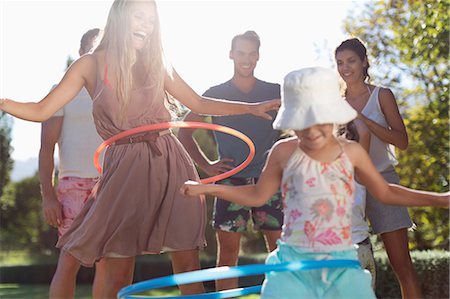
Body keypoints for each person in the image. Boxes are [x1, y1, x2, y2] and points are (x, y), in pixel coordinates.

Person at [0, 1, 280, 298]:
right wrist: (3, 102)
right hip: (123, 167)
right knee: (119, 269)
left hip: (169, 161)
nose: (145, 25)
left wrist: (251, 107)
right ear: (120, 18)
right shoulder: (90, 64)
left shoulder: (157, 61)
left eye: (150, 19)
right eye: (138, 17)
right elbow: (42, 109)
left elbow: (197, 103)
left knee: (187, 260)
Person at [180, 67, 449, 299]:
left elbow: (385, 191)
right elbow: (258, 195)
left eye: (319, 122)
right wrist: (209, 187)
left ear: (334, 116)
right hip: (291, 262)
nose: (311, 131)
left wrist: (440, 199)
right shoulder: (283, 152)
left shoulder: (351, 153)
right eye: (301, 123)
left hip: (341, 262)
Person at [178, 30, 283, 292]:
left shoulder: (275, 92)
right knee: (227, 255)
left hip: (269, 180)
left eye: (251, 53)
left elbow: (301, 126)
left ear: (258, 56)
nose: (246, 59)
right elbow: (184, 131)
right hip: (229, 183)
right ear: (231, 54)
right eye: (240, 53)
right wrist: (208, 167)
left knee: (280, 252)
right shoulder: (215, 93)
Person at [335, 37, 420, 298]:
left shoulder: (381, 95)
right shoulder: (334, 103)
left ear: (363, 62)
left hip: (383, 180)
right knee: (345, 265)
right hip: (349, 188)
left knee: (402, 265)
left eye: (351, 61)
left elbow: (402, 141)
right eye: (339, 63)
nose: (345, 68)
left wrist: (362, 120)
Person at [38, 28, 107, 297]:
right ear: (81, 55)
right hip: (73, 185)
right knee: (68, 261)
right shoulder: (61, 91)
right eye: (93, 50)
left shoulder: (116, 94)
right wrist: (48, 196)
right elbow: (46, 148)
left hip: (111, 184)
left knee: (109, 262)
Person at [343, 120, 376, 290]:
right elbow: (364, 133)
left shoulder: (356, 167)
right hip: (358, 247)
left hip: (352, 250)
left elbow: (365, 134)